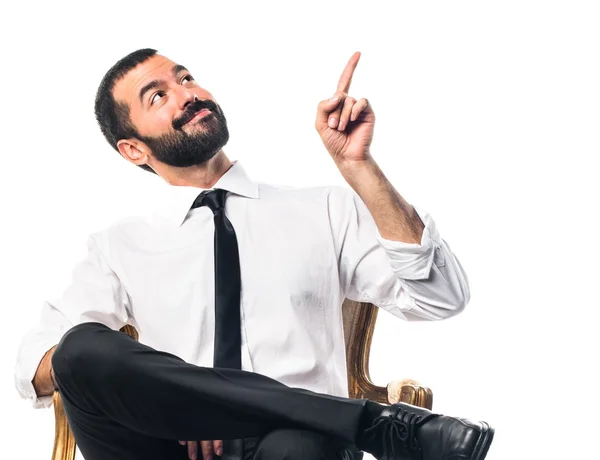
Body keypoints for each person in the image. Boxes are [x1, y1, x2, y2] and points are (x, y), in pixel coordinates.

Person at [14, 48, 493, 460]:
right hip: (169, 447)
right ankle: (375, 424)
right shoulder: (120, 245)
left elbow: (441, 299)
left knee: (303, 448)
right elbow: (36, 366)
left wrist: (360, 168)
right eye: (158, 95)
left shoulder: (323, 209)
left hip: (299, 445)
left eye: (185, 77)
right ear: (134, 149)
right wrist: (187, 407)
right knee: (79, 348)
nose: (187, 93)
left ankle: (341, 423)